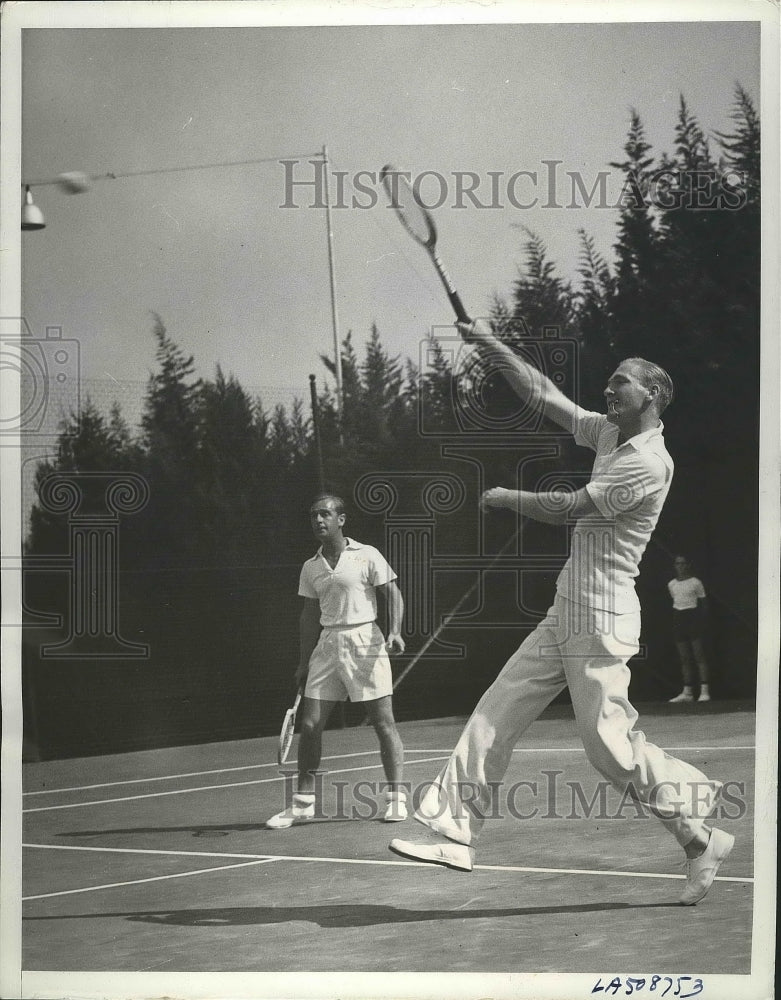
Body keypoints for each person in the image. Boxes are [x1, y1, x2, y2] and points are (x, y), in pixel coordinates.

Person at [389, 318, 733, 905]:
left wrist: (506, 498)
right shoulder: (608, 435)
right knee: (499, 705)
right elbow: (545, 395)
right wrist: (490, 346)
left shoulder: (648, 462)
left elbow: (572, 507)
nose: (608, 389)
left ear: (649, 395)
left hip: (602, 617)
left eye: (620, 383)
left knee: (609, 751)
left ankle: (697, 830)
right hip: (567, 605)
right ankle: (454, 828)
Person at [266, 493, 408, 828]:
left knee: (383, 722)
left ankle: (397, 799)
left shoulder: (367, 555)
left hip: (365, 642)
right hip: (327, 645)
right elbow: (307, 616)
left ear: (340, 520)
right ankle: (302, 804)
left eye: (325, 515)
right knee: (311, 724)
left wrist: (396, 631)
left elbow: (394, 594)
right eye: (314, 515)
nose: (318, 521)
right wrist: (304, 661)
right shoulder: (310, 567)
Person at [668, 555, 711, 703]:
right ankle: (688, 693)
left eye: (683, 563)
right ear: (675, 566)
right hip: (678, 620)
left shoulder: (696, 582)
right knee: (684, 658)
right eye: (678, 563)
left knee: (699, 656)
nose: (680, 566)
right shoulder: (671, 584)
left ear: (688, 565)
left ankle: (705, 692)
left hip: (693, 619)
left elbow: (704, 604)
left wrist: (700, 623)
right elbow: (676, 601)